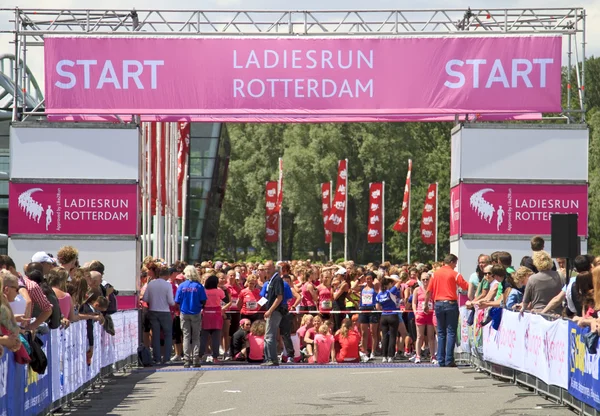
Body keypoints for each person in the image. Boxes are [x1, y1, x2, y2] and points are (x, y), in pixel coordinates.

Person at [424, 254, 468, 368]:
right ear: (452, 262)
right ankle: (449, 360)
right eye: (455, 264)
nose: (455, 266)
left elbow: (428, 291)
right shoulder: (455, 274)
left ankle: (441, 359)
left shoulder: (435, 274)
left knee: (441, 332)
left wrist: (425, 304)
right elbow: (465, 286)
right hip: (450, 303)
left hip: (438, 303)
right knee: (451, 332)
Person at [175, 265, 207, 368]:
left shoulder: (182, 286)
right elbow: (203, 300)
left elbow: (177, 300)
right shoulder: (198, 286)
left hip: (184, 312)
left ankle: (187, 359)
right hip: (196, 312)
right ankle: (195, 359)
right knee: (196, 336)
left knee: (186, 336)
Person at [142, 267, 175, 365]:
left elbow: (145, 298)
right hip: (165, 311)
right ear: (167, 275)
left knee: (155, 335)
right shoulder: (167, 285)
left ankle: (157, 358)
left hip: (153, 310)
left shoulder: (151, 284)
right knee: (168, 334)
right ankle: (167, 358)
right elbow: (171, 301)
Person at [262, 261, 286, 367]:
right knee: (268, 336)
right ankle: (269, 358)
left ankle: (272, 359)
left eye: (269, 268)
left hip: (275, 311)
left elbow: (279, 297)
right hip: (272, 311)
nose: (266, 270)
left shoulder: (277, 280)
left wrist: (270, 310)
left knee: (269, 336)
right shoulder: (271, 280)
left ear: (273, 268)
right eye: (265, 268)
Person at [199, 274, 226, 364]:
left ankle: (199, 356)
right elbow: (226, 300)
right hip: (217, 314)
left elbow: (201, 302)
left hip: (206, 314)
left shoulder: (204, 291)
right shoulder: (219, 291)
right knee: (216, 338)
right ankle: (215, 357)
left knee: (203, 337)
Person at [376, 275, 403, 363]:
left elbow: (377, 307)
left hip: (383, 315)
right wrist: (390, 277)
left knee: (384, 336)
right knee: (392, 336)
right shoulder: (390, 292)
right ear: (388, 284)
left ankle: (384, 356)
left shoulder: (379, 294)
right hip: (393, 315)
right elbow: (399, 281)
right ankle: (390, 356)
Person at [413, 272, 437, 364]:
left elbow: (435, 301)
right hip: (420, 314)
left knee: (431, 336)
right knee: (420, 336)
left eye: (427, 279)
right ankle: (418, 356)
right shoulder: (417, 290)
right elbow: (414, 302)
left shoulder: (433, 290)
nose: (425, 281)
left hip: (430, 314)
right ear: (421, 280)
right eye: (423, 279)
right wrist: (415, 312)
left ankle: (433, 356)